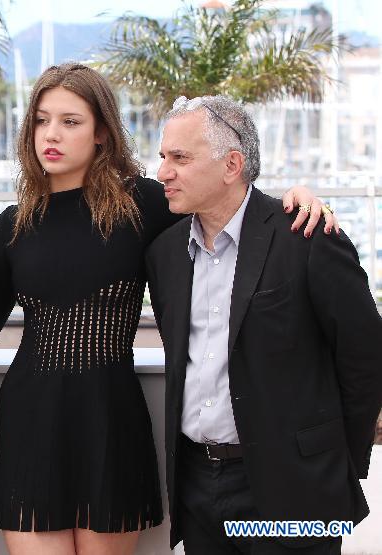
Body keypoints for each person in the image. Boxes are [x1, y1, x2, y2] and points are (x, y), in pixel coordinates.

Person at [0, 63, 335, 555]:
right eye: (41, 121)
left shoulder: (143, 204)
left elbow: (231, 203)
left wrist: (294, 199)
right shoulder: (12, 224)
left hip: (111, 419)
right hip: (30, 419)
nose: (51, 135)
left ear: (102, 131)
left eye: (70, 121)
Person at [145, 95, 382, 554]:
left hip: (294, 490)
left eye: (179, 158)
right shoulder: (166, 253)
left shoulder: (306, 237)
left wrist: (334, 461)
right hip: (198, 487)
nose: (163, 172)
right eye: (162, 157)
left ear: (231, 164)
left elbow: (365, 356)